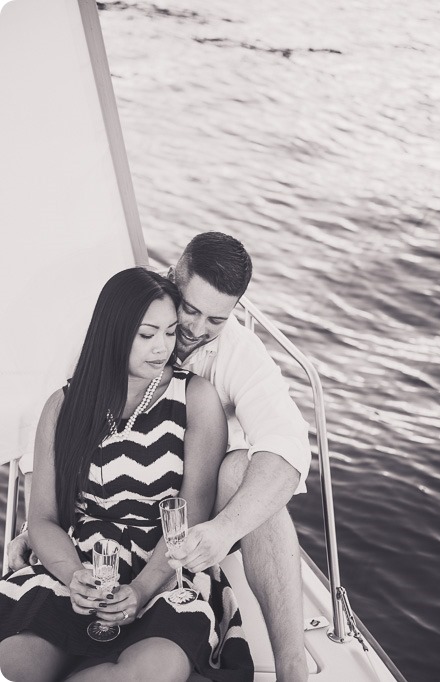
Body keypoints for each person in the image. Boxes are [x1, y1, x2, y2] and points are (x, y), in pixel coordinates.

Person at [9, 232, 312, 682]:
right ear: (172, 281)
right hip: (89, 545)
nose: (189, 332)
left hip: (178, 541)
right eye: (187, 311)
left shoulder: (221, 372)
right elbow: (50, 448)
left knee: (246, 469)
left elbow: (285, 447)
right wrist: (40, 538)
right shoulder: (82, 366)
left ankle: (294, 670)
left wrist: (217, 533)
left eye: (214, 320)